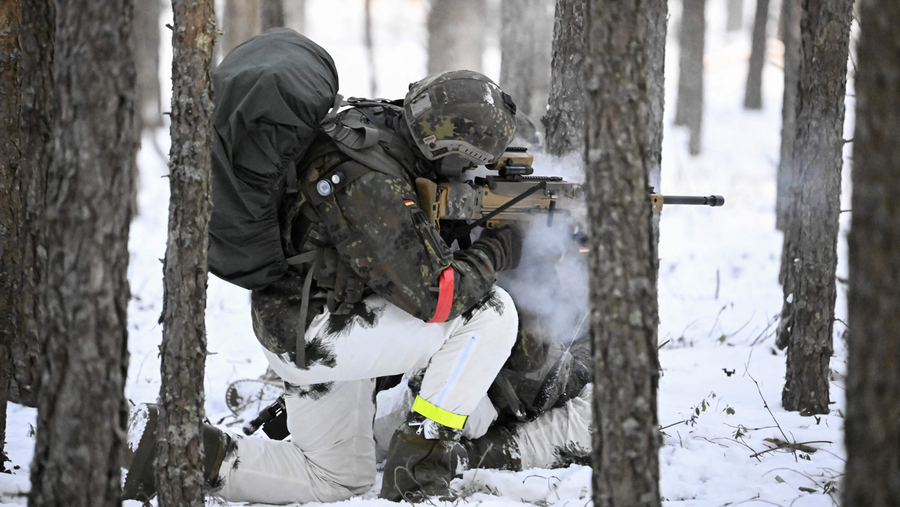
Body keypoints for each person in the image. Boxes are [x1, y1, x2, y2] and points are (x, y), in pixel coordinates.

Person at [123, 29, 522, 504]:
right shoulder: (371, 181)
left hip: (296, 321)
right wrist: (498, 248)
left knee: (335, 480)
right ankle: (419, 473)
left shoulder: (376, 126)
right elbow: (437, 297)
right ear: (449, 149)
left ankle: (172, 447)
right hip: (321, 333)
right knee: (490, 312)